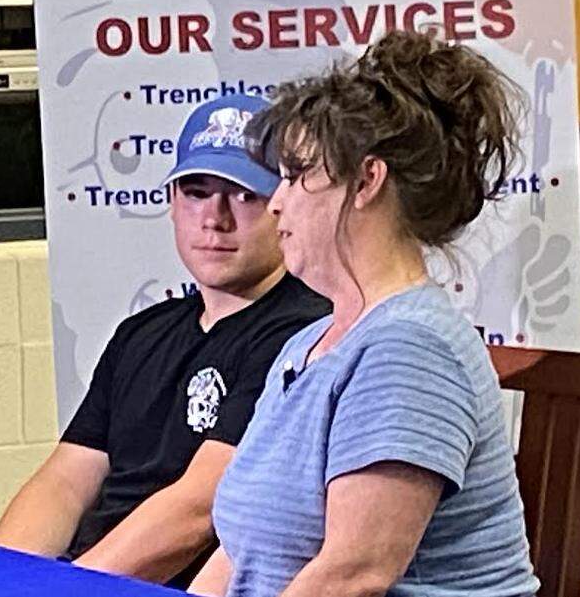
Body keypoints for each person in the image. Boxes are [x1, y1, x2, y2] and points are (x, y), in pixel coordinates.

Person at [190, 30, 540, 597]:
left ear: (366, 181)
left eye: (299, 173)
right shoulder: (306, 345)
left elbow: (354, 575)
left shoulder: (412, 350)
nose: (277, 201)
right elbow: (241, 551)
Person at [0, 94, 331, 588]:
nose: (215, 218)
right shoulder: (140, 334)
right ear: (171, 204)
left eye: (243, 195)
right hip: (92, 576)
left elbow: (198, 511)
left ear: (283, 207)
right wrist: (3, 578)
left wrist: (66, 588)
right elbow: (65, 482)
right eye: (195, 192)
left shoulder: (306, 336)